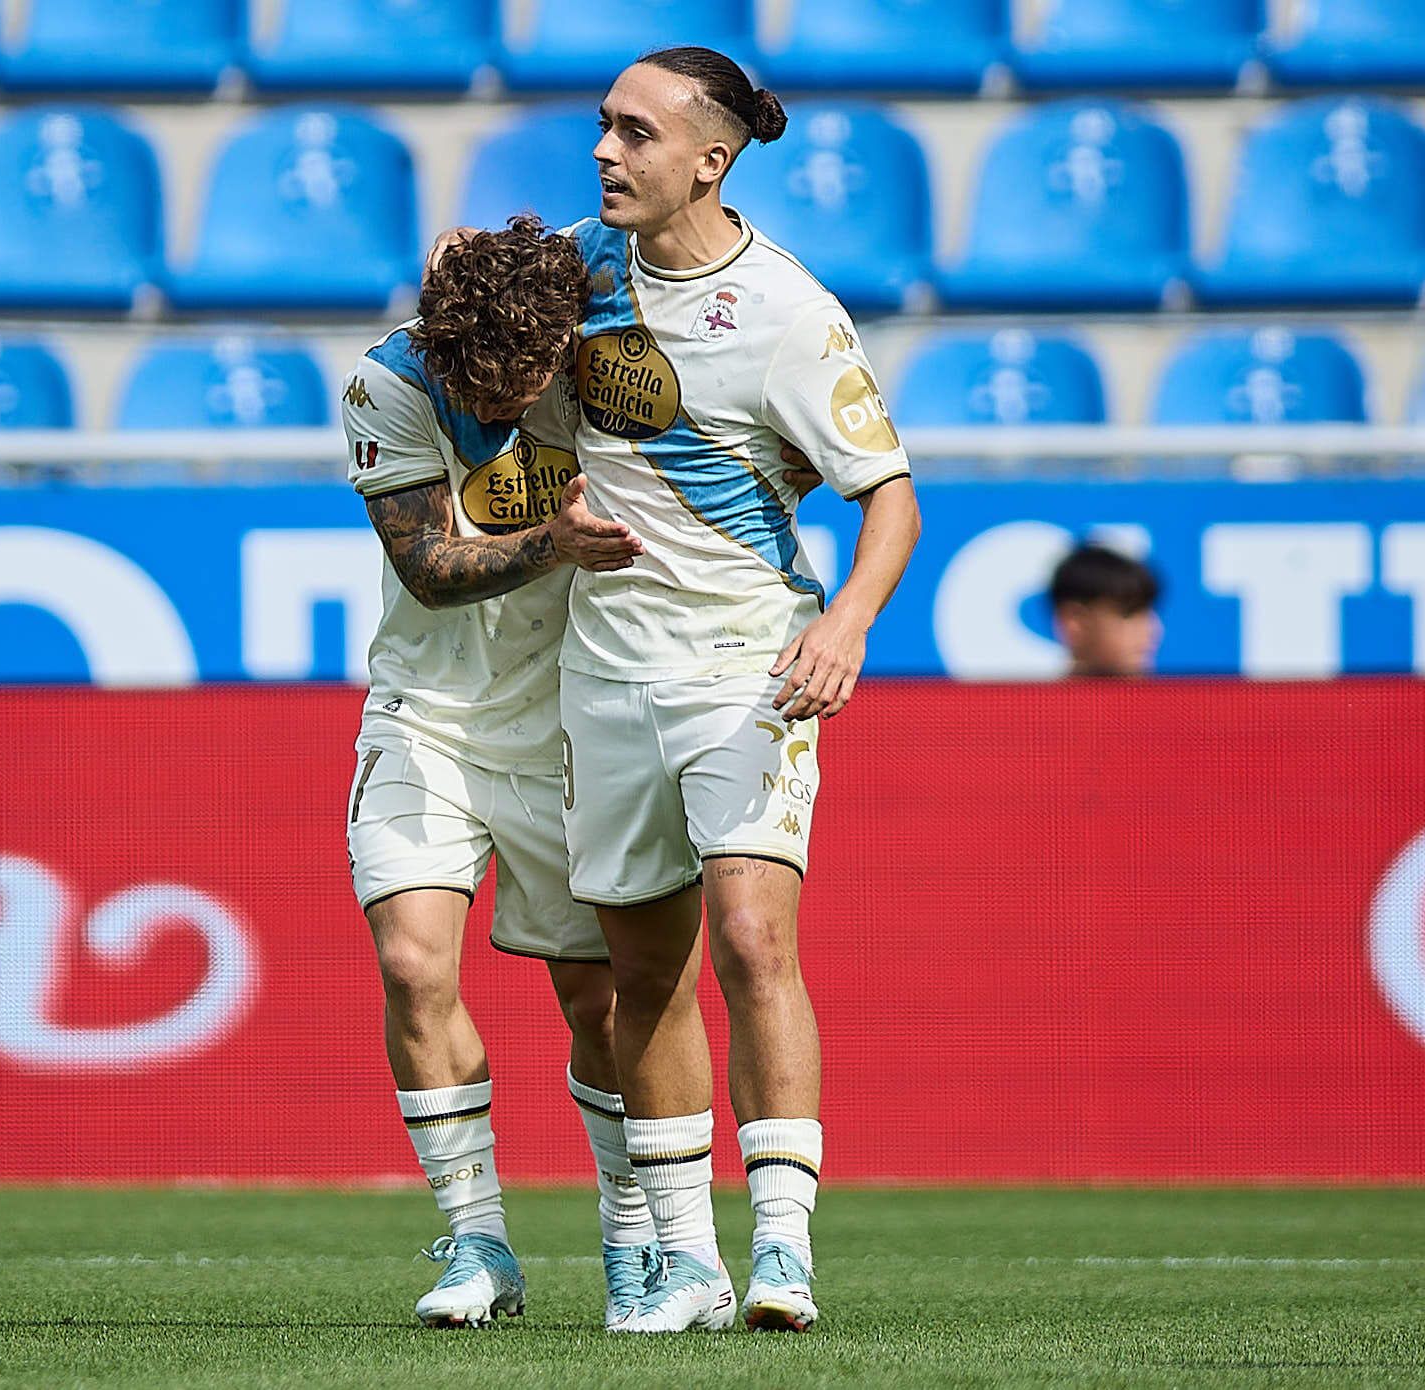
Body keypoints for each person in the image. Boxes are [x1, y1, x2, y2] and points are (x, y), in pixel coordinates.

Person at [557, 48, 922, 1333]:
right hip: (600, 671)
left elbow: (887, 494)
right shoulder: (572, 274)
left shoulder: (784, 310)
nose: (605, 152)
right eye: (601, 127)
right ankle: (683, 1260)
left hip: (742, 667)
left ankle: (780, 1249)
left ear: (709, 159)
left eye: (635, 133)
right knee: (636, 973)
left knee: (753, 940)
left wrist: (850, 627)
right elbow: (472, 381)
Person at [342, 217, 657, 1330]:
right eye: (474, 381)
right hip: (427, 711)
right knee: (411, 961)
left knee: (599, 996)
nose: (496, 403)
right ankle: (476, 1242)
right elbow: (427, 569)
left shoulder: (596, 341)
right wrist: (552, 547)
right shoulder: (385, 382)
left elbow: (646, 217)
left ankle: (634, 1240)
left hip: (572, 717)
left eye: (520, 379)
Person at [1049, 543, 1162, 677]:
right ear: (1074, 622)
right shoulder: (1037, 697)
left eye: (1148, 614)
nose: (1152, 630)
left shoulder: (1176, 696)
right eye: (1128, 614)